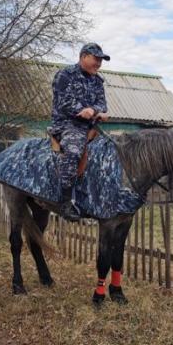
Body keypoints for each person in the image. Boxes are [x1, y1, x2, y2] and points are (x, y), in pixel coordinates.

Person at [49, 43, 110, 221]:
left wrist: (94, 111)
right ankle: (65, 202)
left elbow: (102, 104)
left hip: (90, 126)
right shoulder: (65, 75)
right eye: (96, 59)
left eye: (101, 60)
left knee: (109, 151)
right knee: (74, 152)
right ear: (83, 56)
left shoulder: (97, 81)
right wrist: (83, 110)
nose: (99, 63)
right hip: (67, 124)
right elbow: (63, 102)